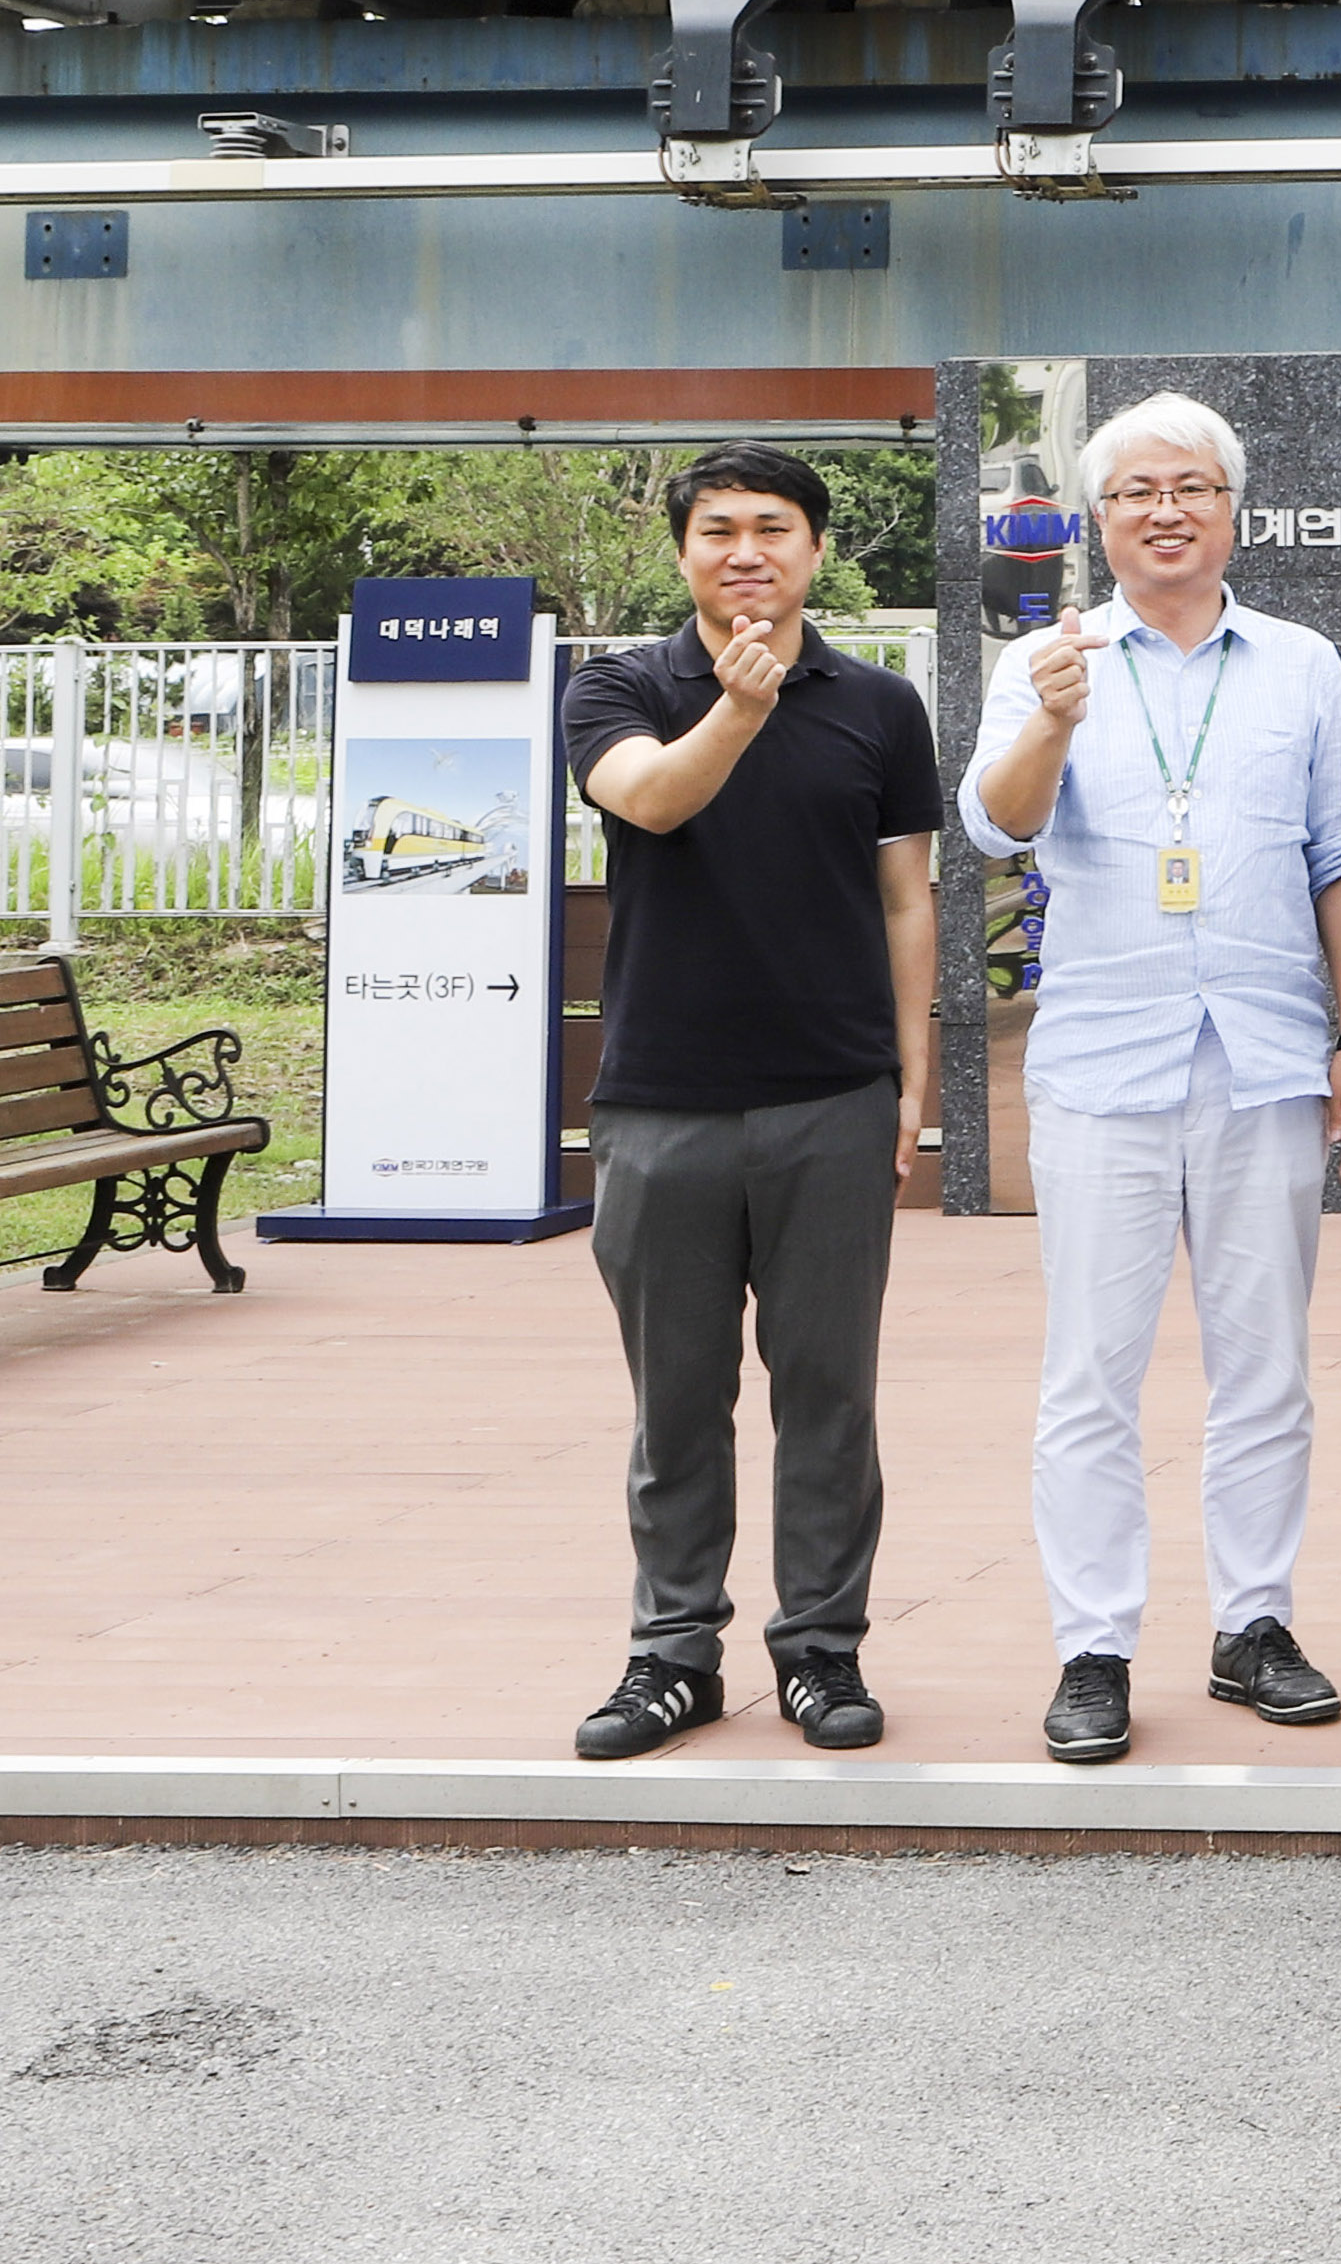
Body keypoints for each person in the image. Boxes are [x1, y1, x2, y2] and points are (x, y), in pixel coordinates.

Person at [962, 392, 1341, 1768]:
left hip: (1264, 1055)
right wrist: (1051, 723)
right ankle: (1093, 1645)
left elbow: (1340, 851)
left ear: (1231, 510)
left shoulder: (1304, 664)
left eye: (1191, 487)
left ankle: (1252, 1625)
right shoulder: (1050, 657)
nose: (1165, 509)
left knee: (1265, 1366)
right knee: (1093, 1369)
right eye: (1136, 489)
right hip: (1102, 1062)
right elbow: (993, 825)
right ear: (1100, 521)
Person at [556, 444, 941, 1761]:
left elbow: (906, 896)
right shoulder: (619, 686)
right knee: (677, 1401)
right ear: (682, 554)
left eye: (772, 528)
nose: (745, 551)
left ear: (815, 550)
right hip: (662, 1102)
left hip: (834, 1098)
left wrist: (911, 1077)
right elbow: (651, 801)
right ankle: (673, 1654)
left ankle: (822, 1649)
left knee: (829, 1392)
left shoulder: (882, 706)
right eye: (716, 529)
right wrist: (736, 706)